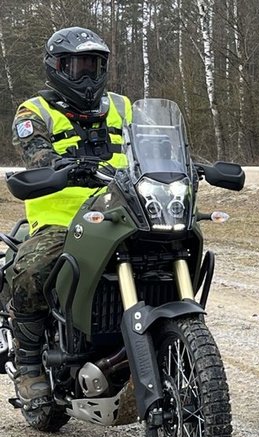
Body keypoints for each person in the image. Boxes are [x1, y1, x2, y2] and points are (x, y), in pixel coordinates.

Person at [9, 27, 132, 409]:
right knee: (32, 271)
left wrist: (188, 164)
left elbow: (155, 144)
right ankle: (28, 364)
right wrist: (62, 167)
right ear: (55, 67)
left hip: (123, 212)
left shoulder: (125, 106)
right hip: (61, 222)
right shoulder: (34, 111)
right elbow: (36, 156)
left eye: (92, 66)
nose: (85, 75)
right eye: (75, 66)